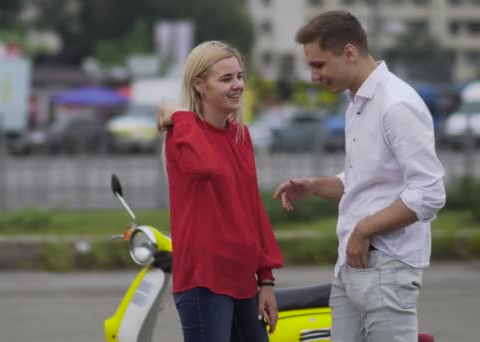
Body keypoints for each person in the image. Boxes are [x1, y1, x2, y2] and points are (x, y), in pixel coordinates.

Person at [272, 11, 446, 342]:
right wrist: (314, 186)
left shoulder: (396, 104)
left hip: (387, 266)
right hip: (353, 266)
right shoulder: (358, 104)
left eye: (319, 65)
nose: (313, 76)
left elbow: (430, 192)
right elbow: (366, 184)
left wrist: (363, 230)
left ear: (349, 52)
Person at [158, 40, 283, 342]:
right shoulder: (182, 134)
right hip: (204, 279)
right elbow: (206, 166)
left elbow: (252, 207)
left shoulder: (241, 136)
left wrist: (265, 279)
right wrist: (182, 116)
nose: (237, 85)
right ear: (199, 85)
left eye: (239, 76)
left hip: (243, 279)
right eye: (226, 79)